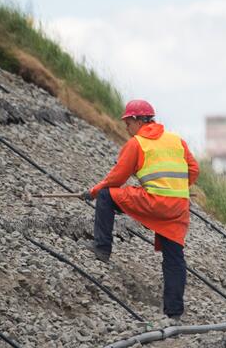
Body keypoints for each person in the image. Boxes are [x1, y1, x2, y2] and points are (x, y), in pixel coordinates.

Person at [85, 99, 199, 320]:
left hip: (153, 203)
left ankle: (101, 249)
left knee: (107, 196)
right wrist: (176, 188)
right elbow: (194, 169)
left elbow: (116, 178)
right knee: (174, 258)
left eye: (128, 123)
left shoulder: (137, 143)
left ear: (137, 121)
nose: (127, 129)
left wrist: (94, 191)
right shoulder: (177, 141)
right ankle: (174, 313)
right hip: (178, 208)